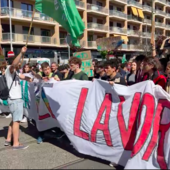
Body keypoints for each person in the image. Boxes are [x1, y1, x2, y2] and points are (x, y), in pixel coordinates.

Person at [5, 46, 33, 150]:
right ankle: (16, 144)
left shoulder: (16, 72)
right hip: (15, 99)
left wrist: (29, 78)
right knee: (17, 121)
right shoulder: (10, 69)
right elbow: (13, 64)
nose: (20, 63)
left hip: (14, 100)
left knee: (13, 120)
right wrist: (21, 53)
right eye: (19, 61)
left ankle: (8, 139)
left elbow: (23, 77)